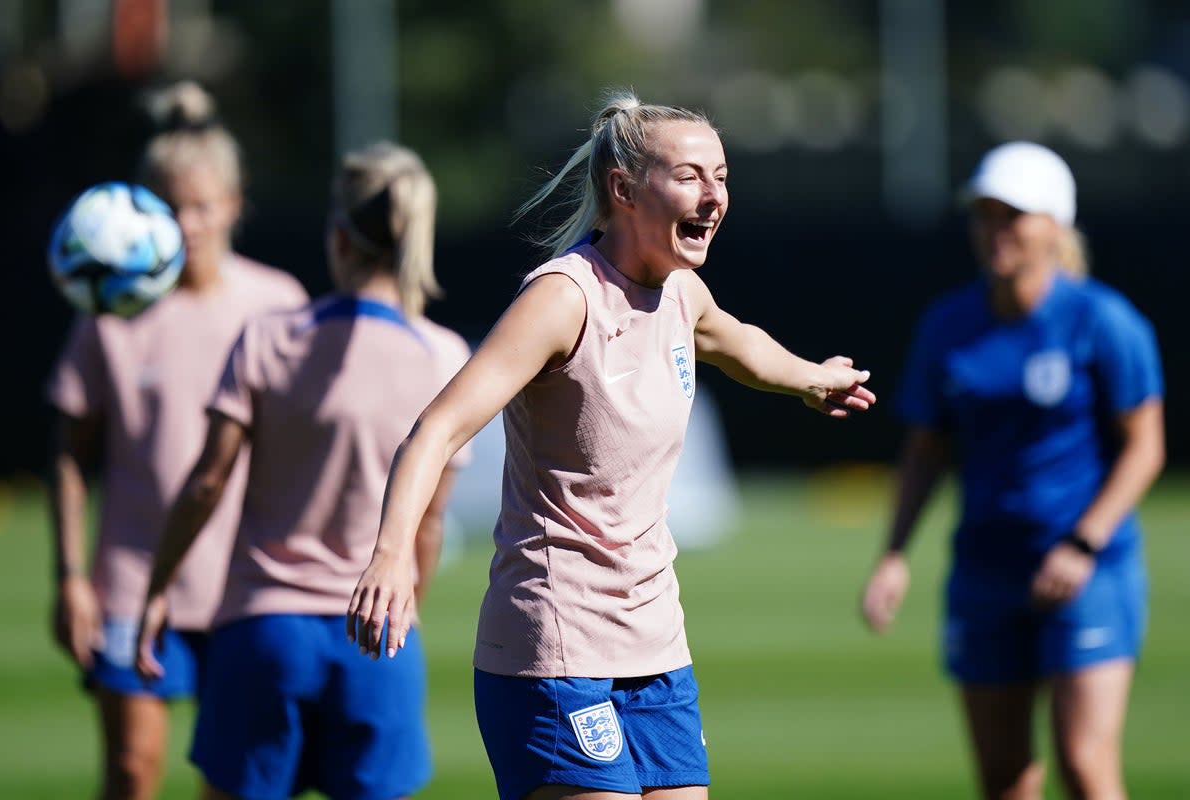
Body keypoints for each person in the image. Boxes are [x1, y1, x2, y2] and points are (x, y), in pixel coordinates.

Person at [347, 89, 875, 800]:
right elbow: (436, 429)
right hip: (555, 646)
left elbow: (739, 343)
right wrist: (388, 557)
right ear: (624, 189)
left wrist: (811, 380)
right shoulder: (565, 298)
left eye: (721, 176)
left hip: (656, 644)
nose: (713, 195)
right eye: (690, 175)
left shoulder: (683, 293)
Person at [134, 141, 469, 800]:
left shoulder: (268, 336)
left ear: (339, 237)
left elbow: (207, 482)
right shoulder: (443, 355)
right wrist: (403, 613)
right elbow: (427, 526)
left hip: (262, 633)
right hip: (375, 643)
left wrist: (156, 592)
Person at [860, 141, 1165, 800]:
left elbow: (1146, 447)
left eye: (1013, 216)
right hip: (985, 572)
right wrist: (893, 554)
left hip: (1089, 573)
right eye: (984, 215)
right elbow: (925, 450)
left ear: (1055, 224)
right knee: (1005, 781)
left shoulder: (1103, 322)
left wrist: (1083, 543)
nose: (995, 230)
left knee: (1085, 764)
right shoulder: (949, 324)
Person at [45, 81, 308, 800]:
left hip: (248, 588)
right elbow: (70, 454)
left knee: (235, 786)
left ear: (234, 203)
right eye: (170, 205)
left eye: (202, 205)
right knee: (131, 774)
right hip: (131, 581)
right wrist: (70, 575)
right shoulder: (108, 308)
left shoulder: (279, 303)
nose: (187, 222)